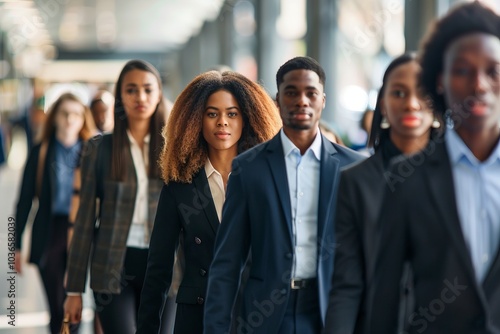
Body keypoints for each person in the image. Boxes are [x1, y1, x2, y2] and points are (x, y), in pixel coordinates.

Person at [203, 56, 365, 334]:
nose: (301, 100)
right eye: (291, 92)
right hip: (264, 314)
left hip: (331, 312)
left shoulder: (355, 167)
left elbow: (367, 254)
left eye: (310, 93)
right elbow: (228, 260)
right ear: (278, 101)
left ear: (322, 100)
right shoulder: (248, 168)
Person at [369, 2, 500, 333]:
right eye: (462, 70)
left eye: (494, 71)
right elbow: (385, 296)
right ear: (440, 81)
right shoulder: (408, 179)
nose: (479, 85)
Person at [136, 70, 282, 334]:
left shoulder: (267, 178)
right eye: (212, 113)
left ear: (248, 118)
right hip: (196, 316)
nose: (222, 122)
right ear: (195, 121)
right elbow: (158, 267)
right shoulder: (179, 187)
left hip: (256, 314)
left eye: (232, 113)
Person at [323, 53, 439, 334]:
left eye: (422, 92)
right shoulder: (355, 181)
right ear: (383, 105)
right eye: (398, 93)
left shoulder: (459, 176)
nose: (411, 103)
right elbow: (347, 284)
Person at [63, 59, 173, 333]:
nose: (141, 97)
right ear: (120, 95)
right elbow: (85, 220)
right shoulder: (99, 149)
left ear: (159, 94)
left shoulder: (174, 148)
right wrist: (73, 289)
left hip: (165, 265)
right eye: (131, 90)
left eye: (148, 89)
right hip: (112, 266)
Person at [14, 92, 96, 334]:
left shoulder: (92, 152)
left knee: (75, 303)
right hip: (50, 232)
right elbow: (24, 202)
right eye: (65, 113)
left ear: (83, 119)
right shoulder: (41, 151)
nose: (70, 119)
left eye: (76, 114)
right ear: (55, 118)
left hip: (82, 232)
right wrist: (15, 246)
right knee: (56, 305)